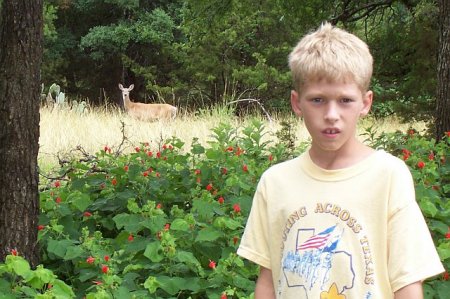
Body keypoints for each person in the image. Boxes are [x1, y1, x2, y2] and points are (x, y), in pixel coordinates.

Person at [237, 22, 444, 299]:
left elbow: (407, 282)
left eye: (345, 100)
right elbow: (269, 279)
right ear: (297, 103)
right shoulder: (275, 182)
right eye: (318, 100)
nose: (332, 114)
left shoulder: (389, 175)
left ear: (366, 103)